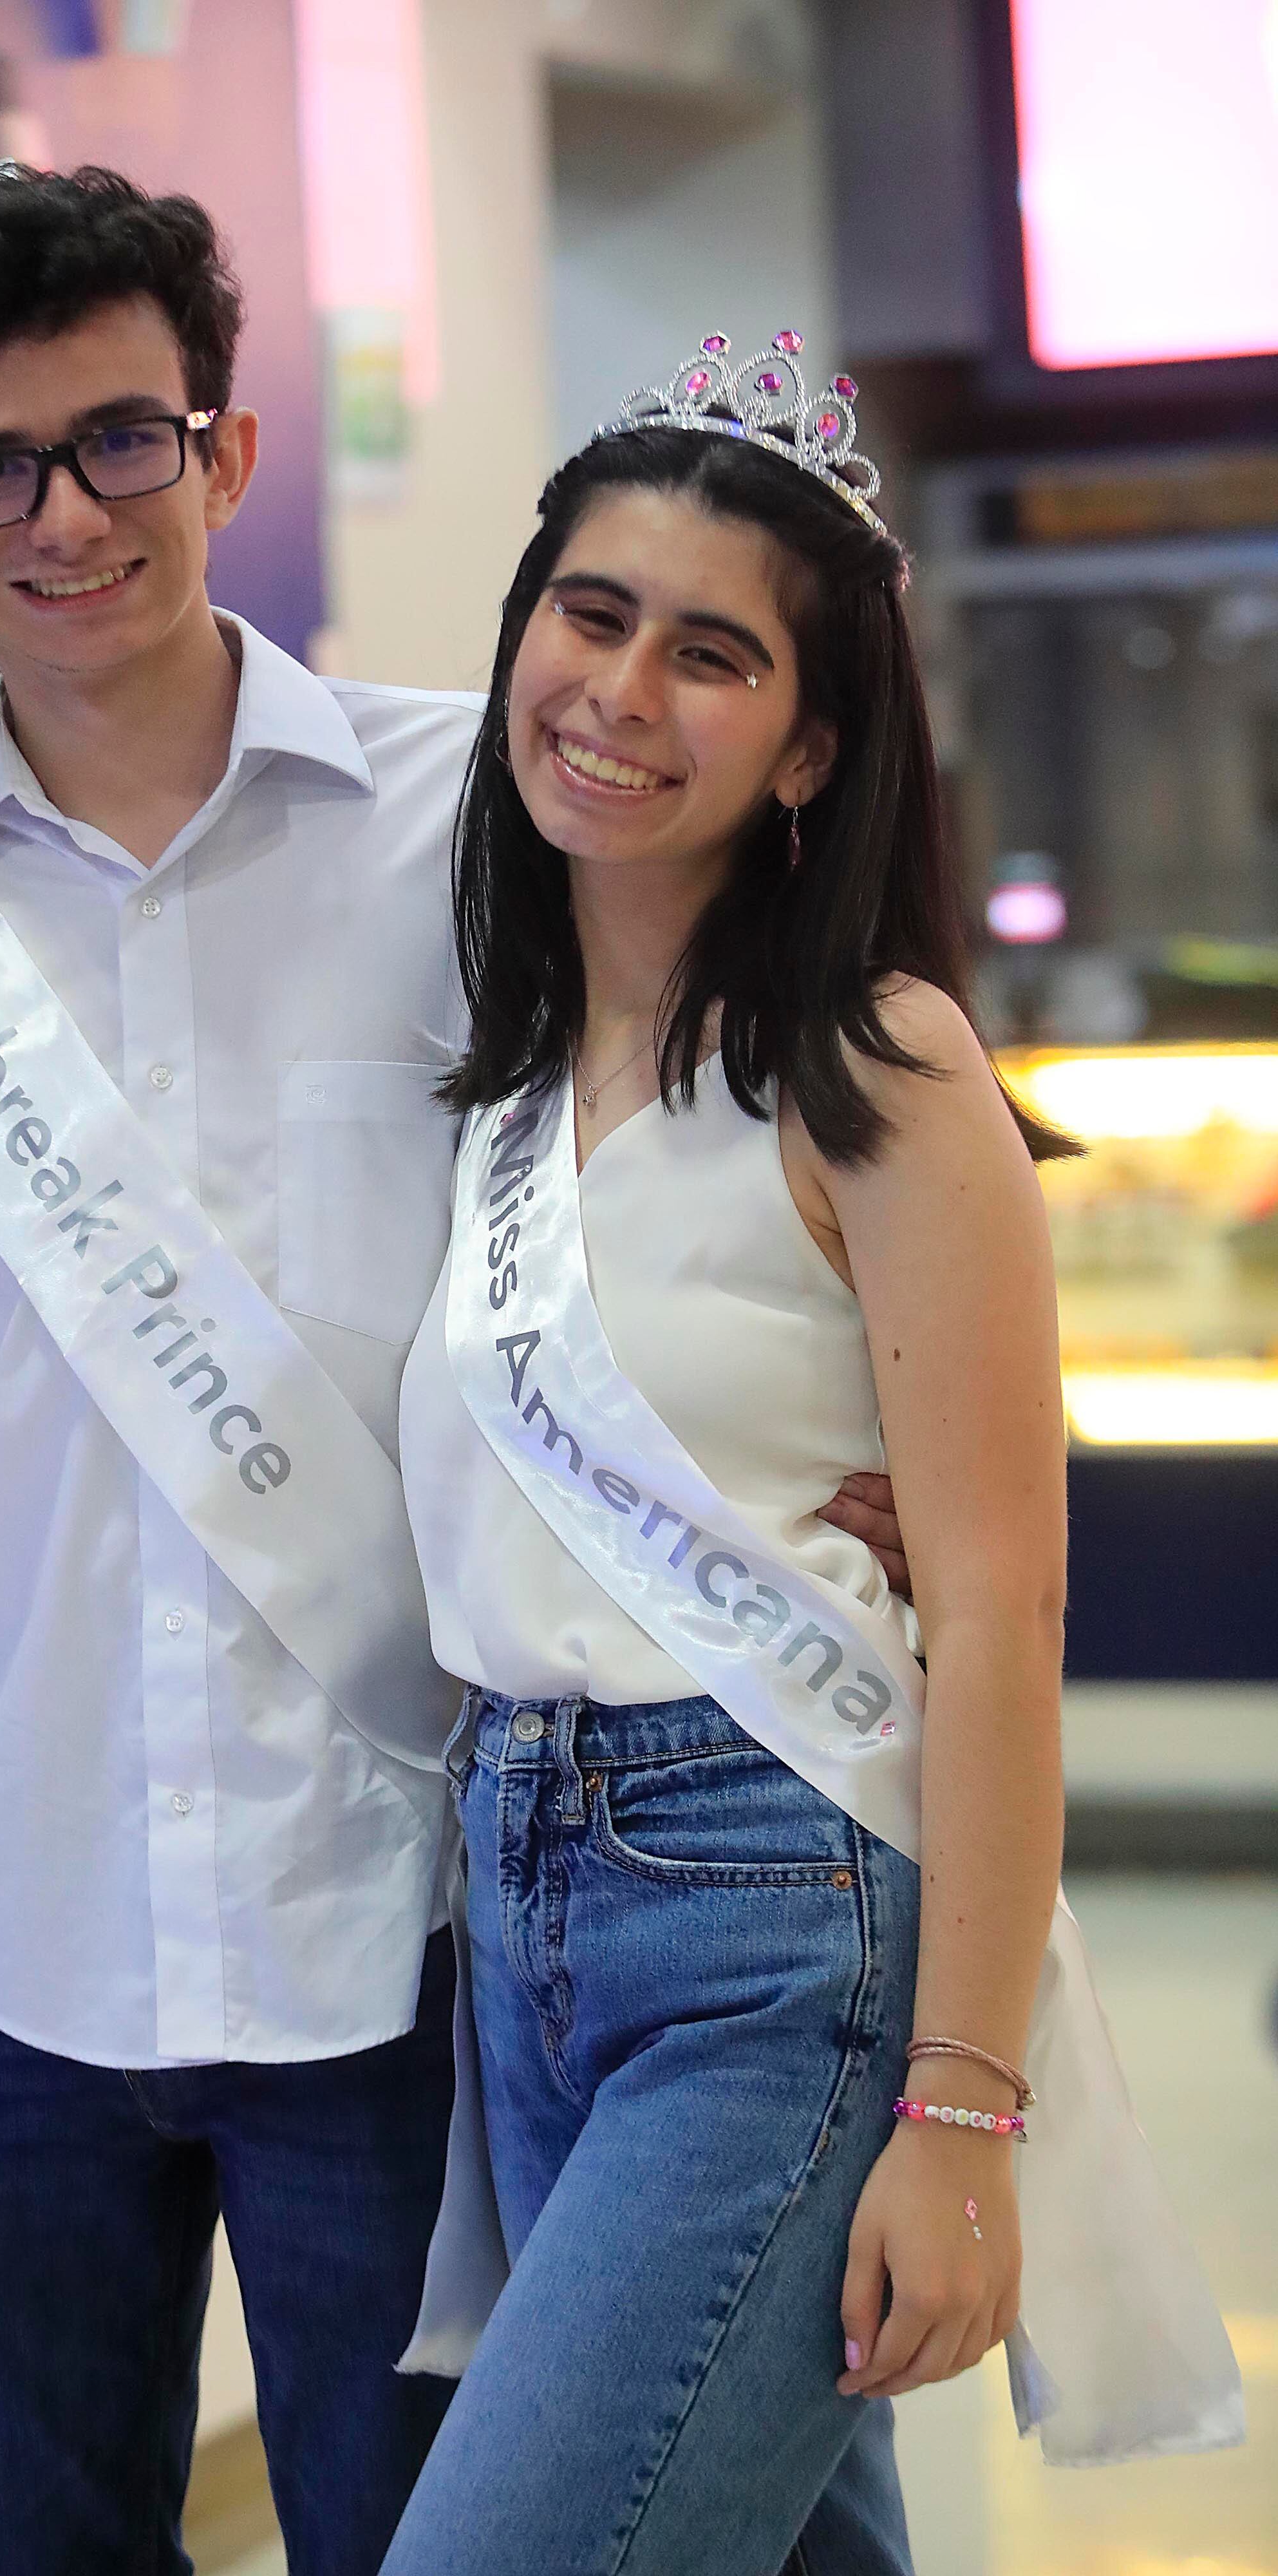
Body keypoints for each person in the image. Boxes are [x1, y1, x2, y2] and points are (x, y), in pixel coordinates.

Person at [0, 171, 914, 2576]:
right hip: (11, 1927)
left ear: (232, 446)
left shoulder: (488, 817)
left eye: (123, 437)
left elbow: (748, 1126)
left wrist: (839, 1446)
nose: (70, 515)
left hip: (410, 1925)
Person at [383, 337, 1242, 2573]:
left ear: (808, 747)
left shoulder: (877, 1061)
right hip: (524, 1900)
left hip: (778, 1918)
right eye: (588, 615)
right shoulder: (505, 1080)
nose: (620, 689)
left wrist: (963, 2104)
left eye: (711, 653)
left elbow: (997, 1610)